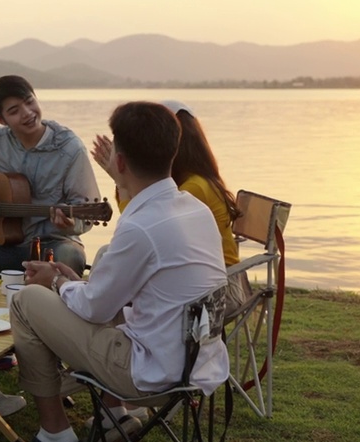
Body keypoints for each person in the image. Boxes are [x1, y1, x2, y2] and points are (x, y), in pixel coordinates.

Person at [5, 102, 229, 442]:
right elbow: (110, 298)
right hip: (198, 361)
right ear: (172, 153)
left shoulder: (142, 225)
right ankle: (114, 416)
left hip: (152, 374)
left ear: (119, 163)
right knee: (85, 290)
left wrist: (57, 281)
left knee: (27, 300)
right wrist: (74, 284)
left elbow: (95, 310)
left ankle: (55, 437)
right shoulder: (193, 208)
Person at [0, 75, 101, 276]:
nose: (27, 113)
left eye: (30, 102)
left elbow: (86, 217)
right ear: (1, 119)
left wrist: (70, 224)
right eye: (14, 111)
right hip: (2, 245)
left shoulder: (70, 149)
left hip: (52, 244)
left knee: (70, 258)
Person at [91, 100, 248, 310]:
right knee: (108, 255)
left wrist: (122, 177)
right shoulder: (185, 183)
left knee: (116, 268)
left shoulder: (194, 189)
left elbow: (143, 223)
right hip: (199, 278)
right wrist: (125, 176)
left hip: (220, 288)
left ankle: (99, 317)